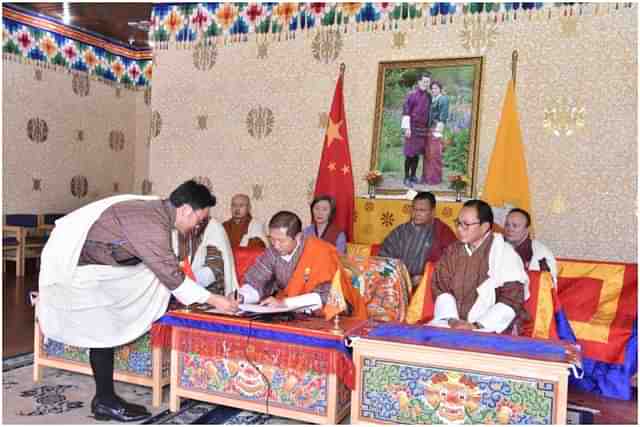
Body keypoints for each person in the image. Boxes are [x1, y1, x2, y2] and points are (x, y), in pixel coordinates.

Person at [36, 180, 237, 422]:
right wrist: (216, 301)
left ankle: (105, 398)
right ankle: (105, 401)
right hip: (77, 269)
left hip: (99, 267)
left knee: (105, 330)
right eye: (199, 219)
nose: (198, 225)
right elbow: (170, 274)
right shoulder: (151, 223)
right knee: (103, 332)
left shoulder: (158, 213)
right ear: (185, 210)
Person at [232, 211, 366, 317]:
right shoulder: (273, 251)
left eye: (281, 241)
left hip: (334, 313)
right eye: (272, 239)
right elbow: (257, 280)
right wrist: (242, 297)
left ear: (298, 237)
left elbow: (329, 295)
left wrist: (285, 303)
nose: (276, 245)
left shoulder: (319, 251)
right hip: (293, 313)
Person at [428, 199, 529, 334]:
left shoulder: (504, 253)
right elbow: (441, 286)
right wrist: (452, 320)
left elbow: (512, 299)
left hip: (491, 327)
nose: (459, 229)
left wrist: (476, 326)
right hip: (452, 323)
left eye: (466, 224)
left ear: (485, 226)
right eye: (458, 223)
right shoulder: (453, 250)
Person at [379, 191, 456, 288]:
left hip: (427, 285)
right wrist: (398, 278)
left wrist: (426, 277)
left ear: (433, 212)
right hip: (397, 284)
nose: (417, 214)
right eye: (414, 209)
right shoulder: (400, 232)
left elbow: (452, 263)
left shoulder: (443, 232)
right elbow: (383, 257)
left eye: (422, 210)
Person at [179, 215, 240, 296]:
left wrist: (184, 283)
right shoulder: (180, 225)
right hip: (183, 290)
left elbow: (214, 270)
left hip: (212, 294)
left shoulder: (213, 228)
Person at [504, 208, 558, 284]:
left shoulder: (540, 253)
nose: (509, 229)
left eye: (515, 226)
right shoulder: (497, 246)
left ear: (527, 229)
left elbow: (548, 285)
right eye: (507, 225)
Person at [401, 72, 432, 188]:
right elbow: (406, 112)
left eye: (428, 82)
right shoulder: (411, 95)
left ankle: (413, 175)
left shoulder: (429, 96)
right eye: (424, 81)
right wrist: (407, 128)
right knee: (409, 154)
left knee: (417, 154)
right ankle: (406, 177)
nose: (426, 84)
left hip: (423, 130)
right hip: (412, 128)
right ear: (419, 82)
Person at [423, 80, 449, 185]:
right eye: (432, 88)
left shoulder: (443, 99)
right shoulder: (432, 99)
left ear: (440, 89)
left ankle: (435, 178)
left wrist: (438, 131)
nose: (433, 90)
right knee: (428, 153)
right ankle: (427, 177)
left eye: (436, 88)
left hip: (436, 128)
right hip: (429, 129)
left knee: (435, 153)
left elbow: (443, 116)